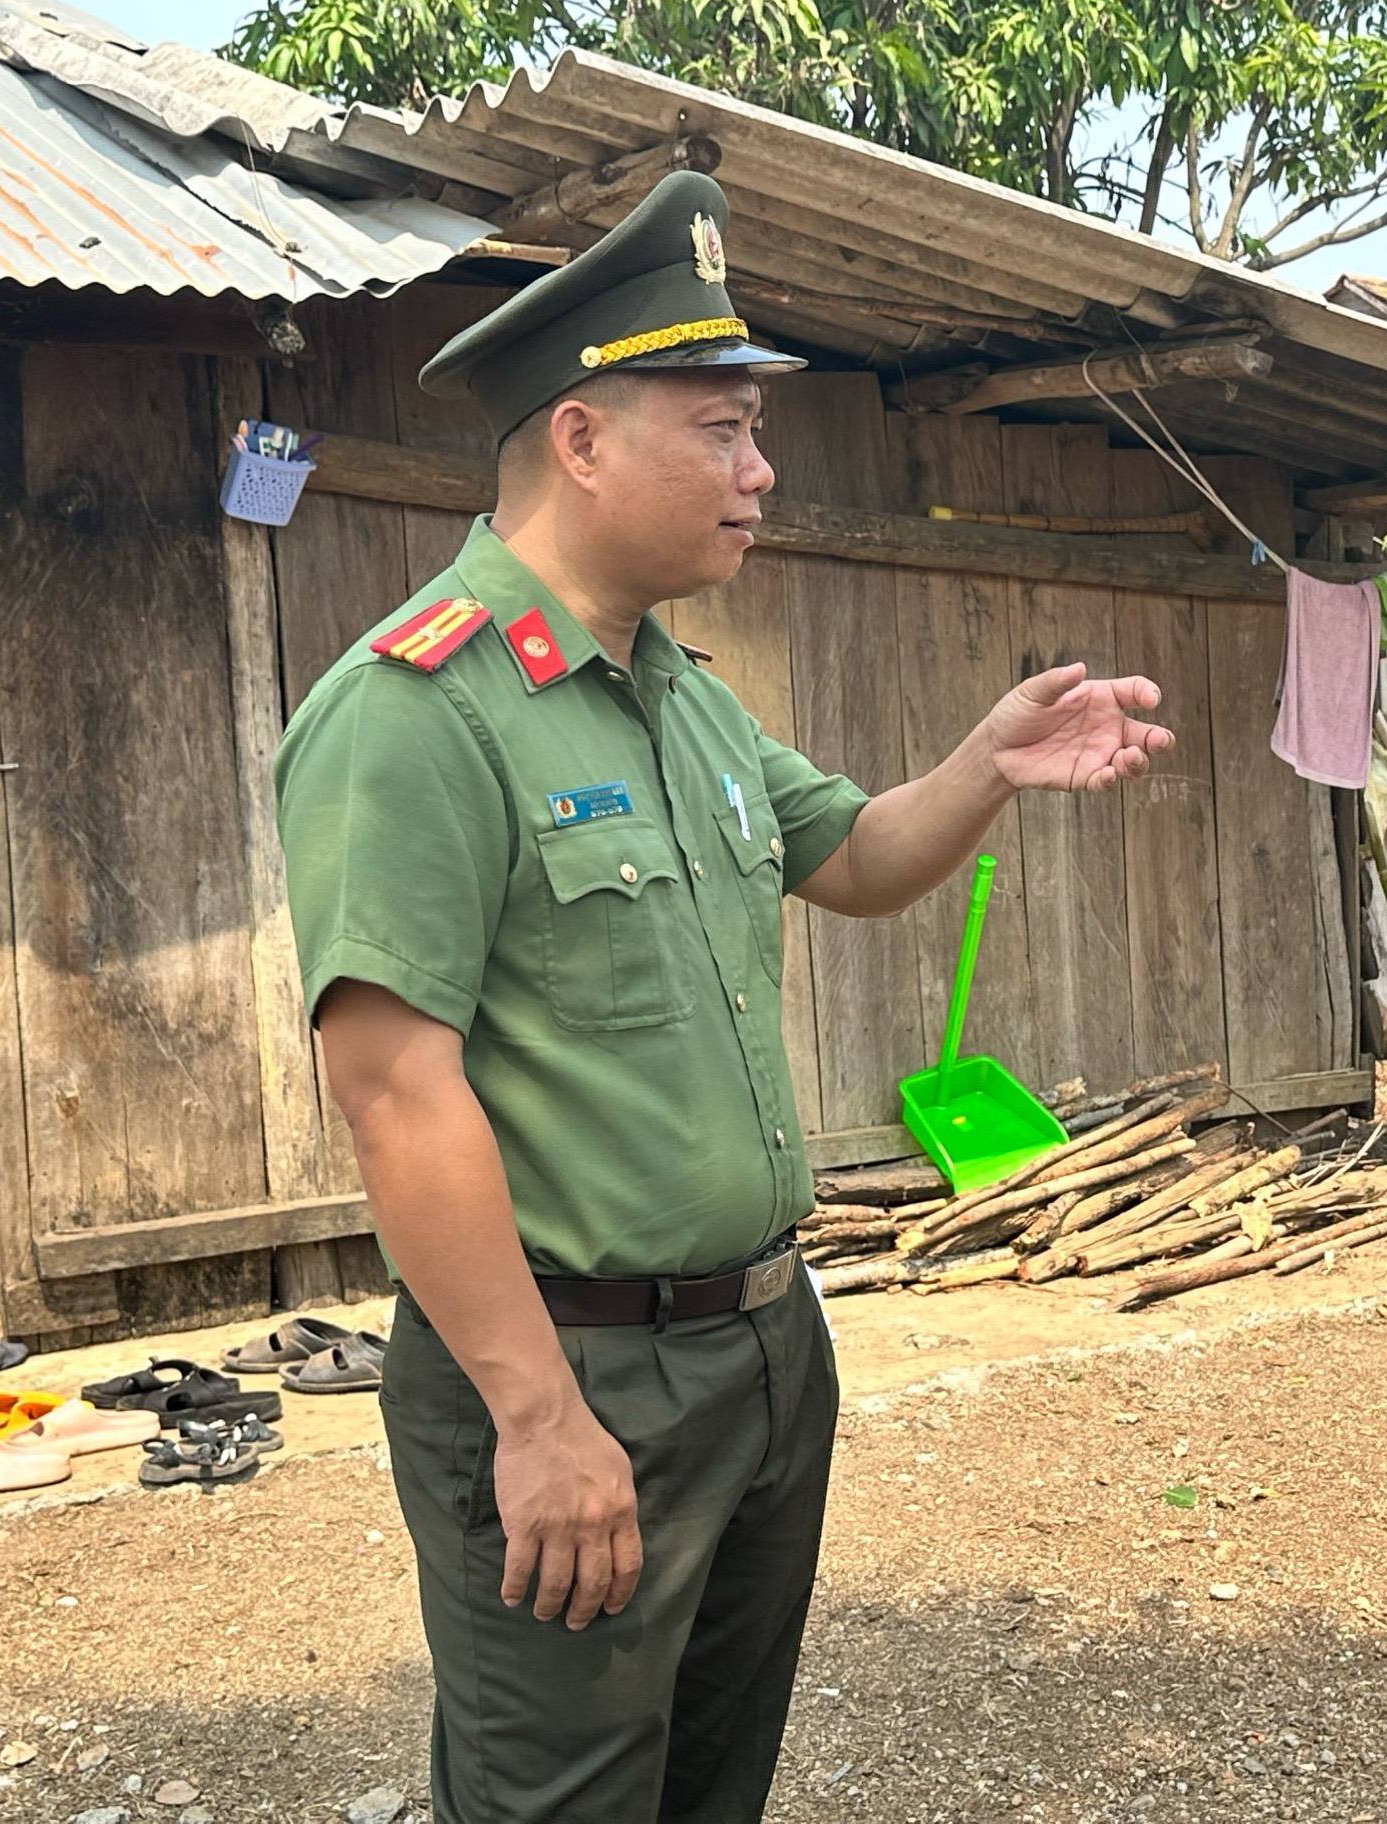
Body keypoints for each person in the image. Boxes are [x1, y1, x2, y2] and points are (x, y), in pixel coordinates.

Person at [273, 170, 1172, 1824]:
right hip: (569, 1374)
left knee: (707, 1789)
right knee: (565, 1801)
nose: (762, 472)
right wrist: (537, 1419)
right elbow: (395, 1090)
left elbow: (858, 859)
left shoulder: (678, 697)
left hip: (761, 1353)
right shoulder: (416, 710)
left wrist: (989, 761)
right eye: (722, 428)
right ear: (583, 440)